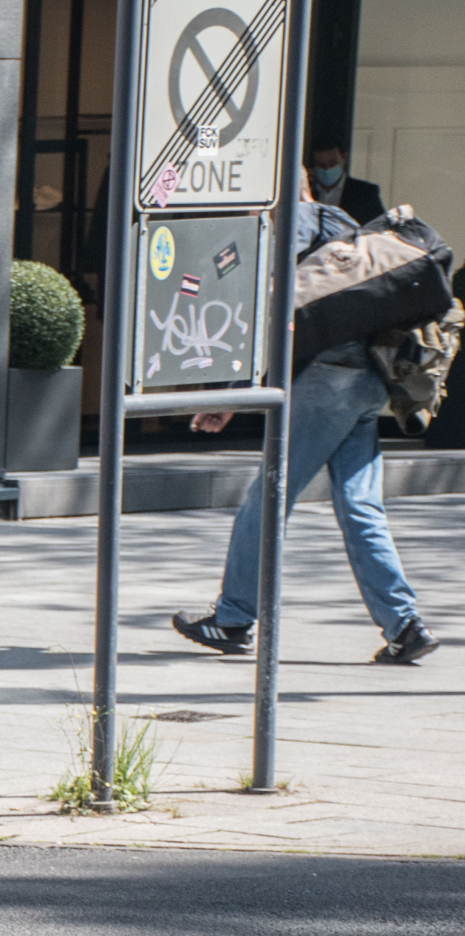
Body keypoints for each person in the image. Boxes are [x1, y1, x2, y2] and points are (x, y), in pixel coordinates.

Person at [173, 177, 439, 666]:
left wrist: (231, 395)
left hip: (327, 383)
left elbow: (277, 309)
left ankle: (233, 617)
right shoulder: (345, 223)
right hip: (367, 379)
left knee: (268, 496)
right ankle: (405, 625)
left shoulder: (294, 223)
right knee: (360, 504)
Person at [304, 142, 386, 227]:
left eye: (333, 163)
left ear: (344, 158)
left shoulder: (365, 192)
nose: (327, 168)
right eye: (321, 165)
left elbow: (379, 227)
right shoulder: (308, 190)